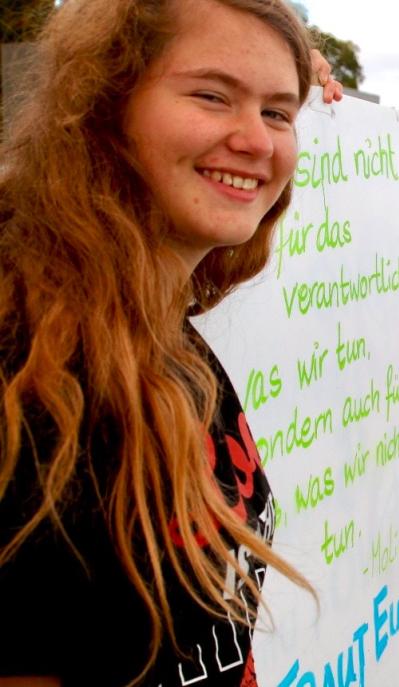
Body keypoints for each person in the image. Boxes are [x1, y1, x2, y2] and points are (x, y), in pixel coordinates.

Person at [0, 0, 341, 684]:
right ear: (104, 106)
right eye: (212, 96)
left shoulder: (160, 332)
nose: (258, 141)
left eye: (278, 113)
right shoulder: (32, 375)